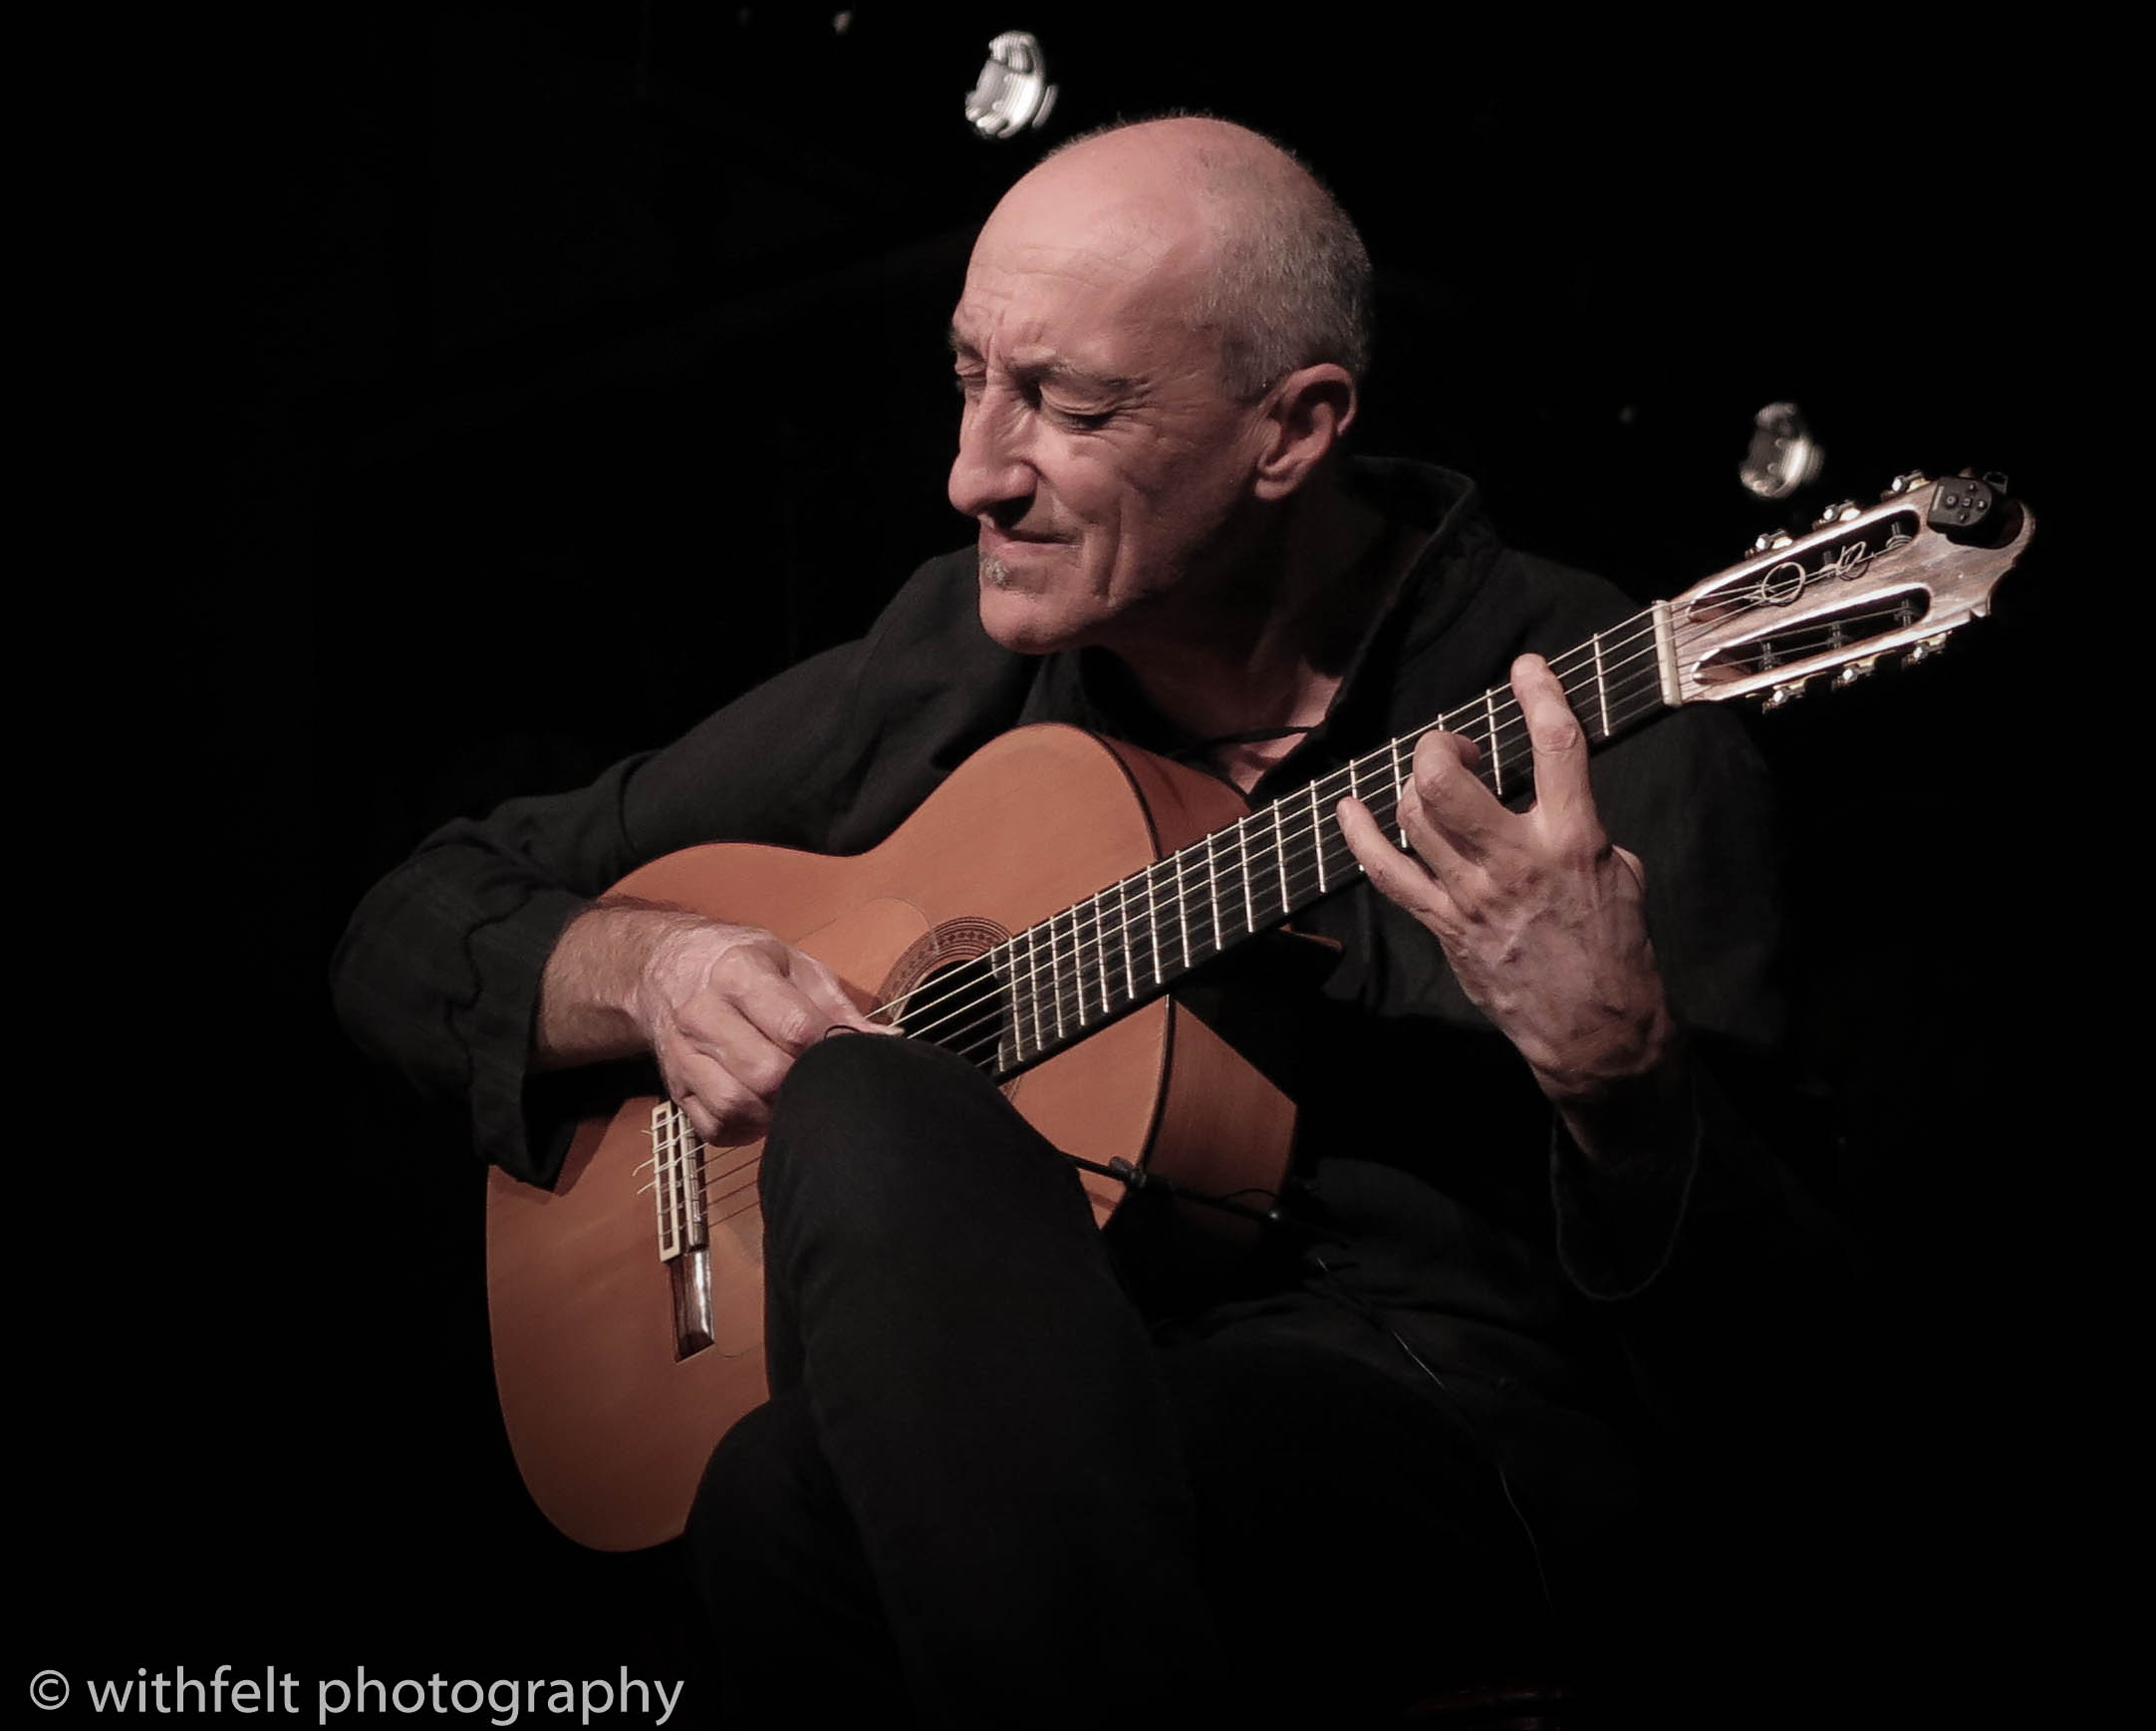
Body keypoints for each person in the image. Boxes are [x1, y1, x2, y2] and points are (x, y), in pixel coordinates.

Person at [334, 117, 1850, 1726]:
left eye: (1067, 406)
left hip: (1439, 1424)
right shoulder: (952, 662)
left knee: (799, 1460)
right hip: (1058, 1385)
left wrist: (1622, 1078)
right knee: (771, 1481)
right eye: (970, 377)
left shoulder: (1587, 709)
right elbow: (416, 919)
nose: (974, 471)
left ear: (1294, 431)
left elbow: (1792, 1382)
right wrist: (663, 967)